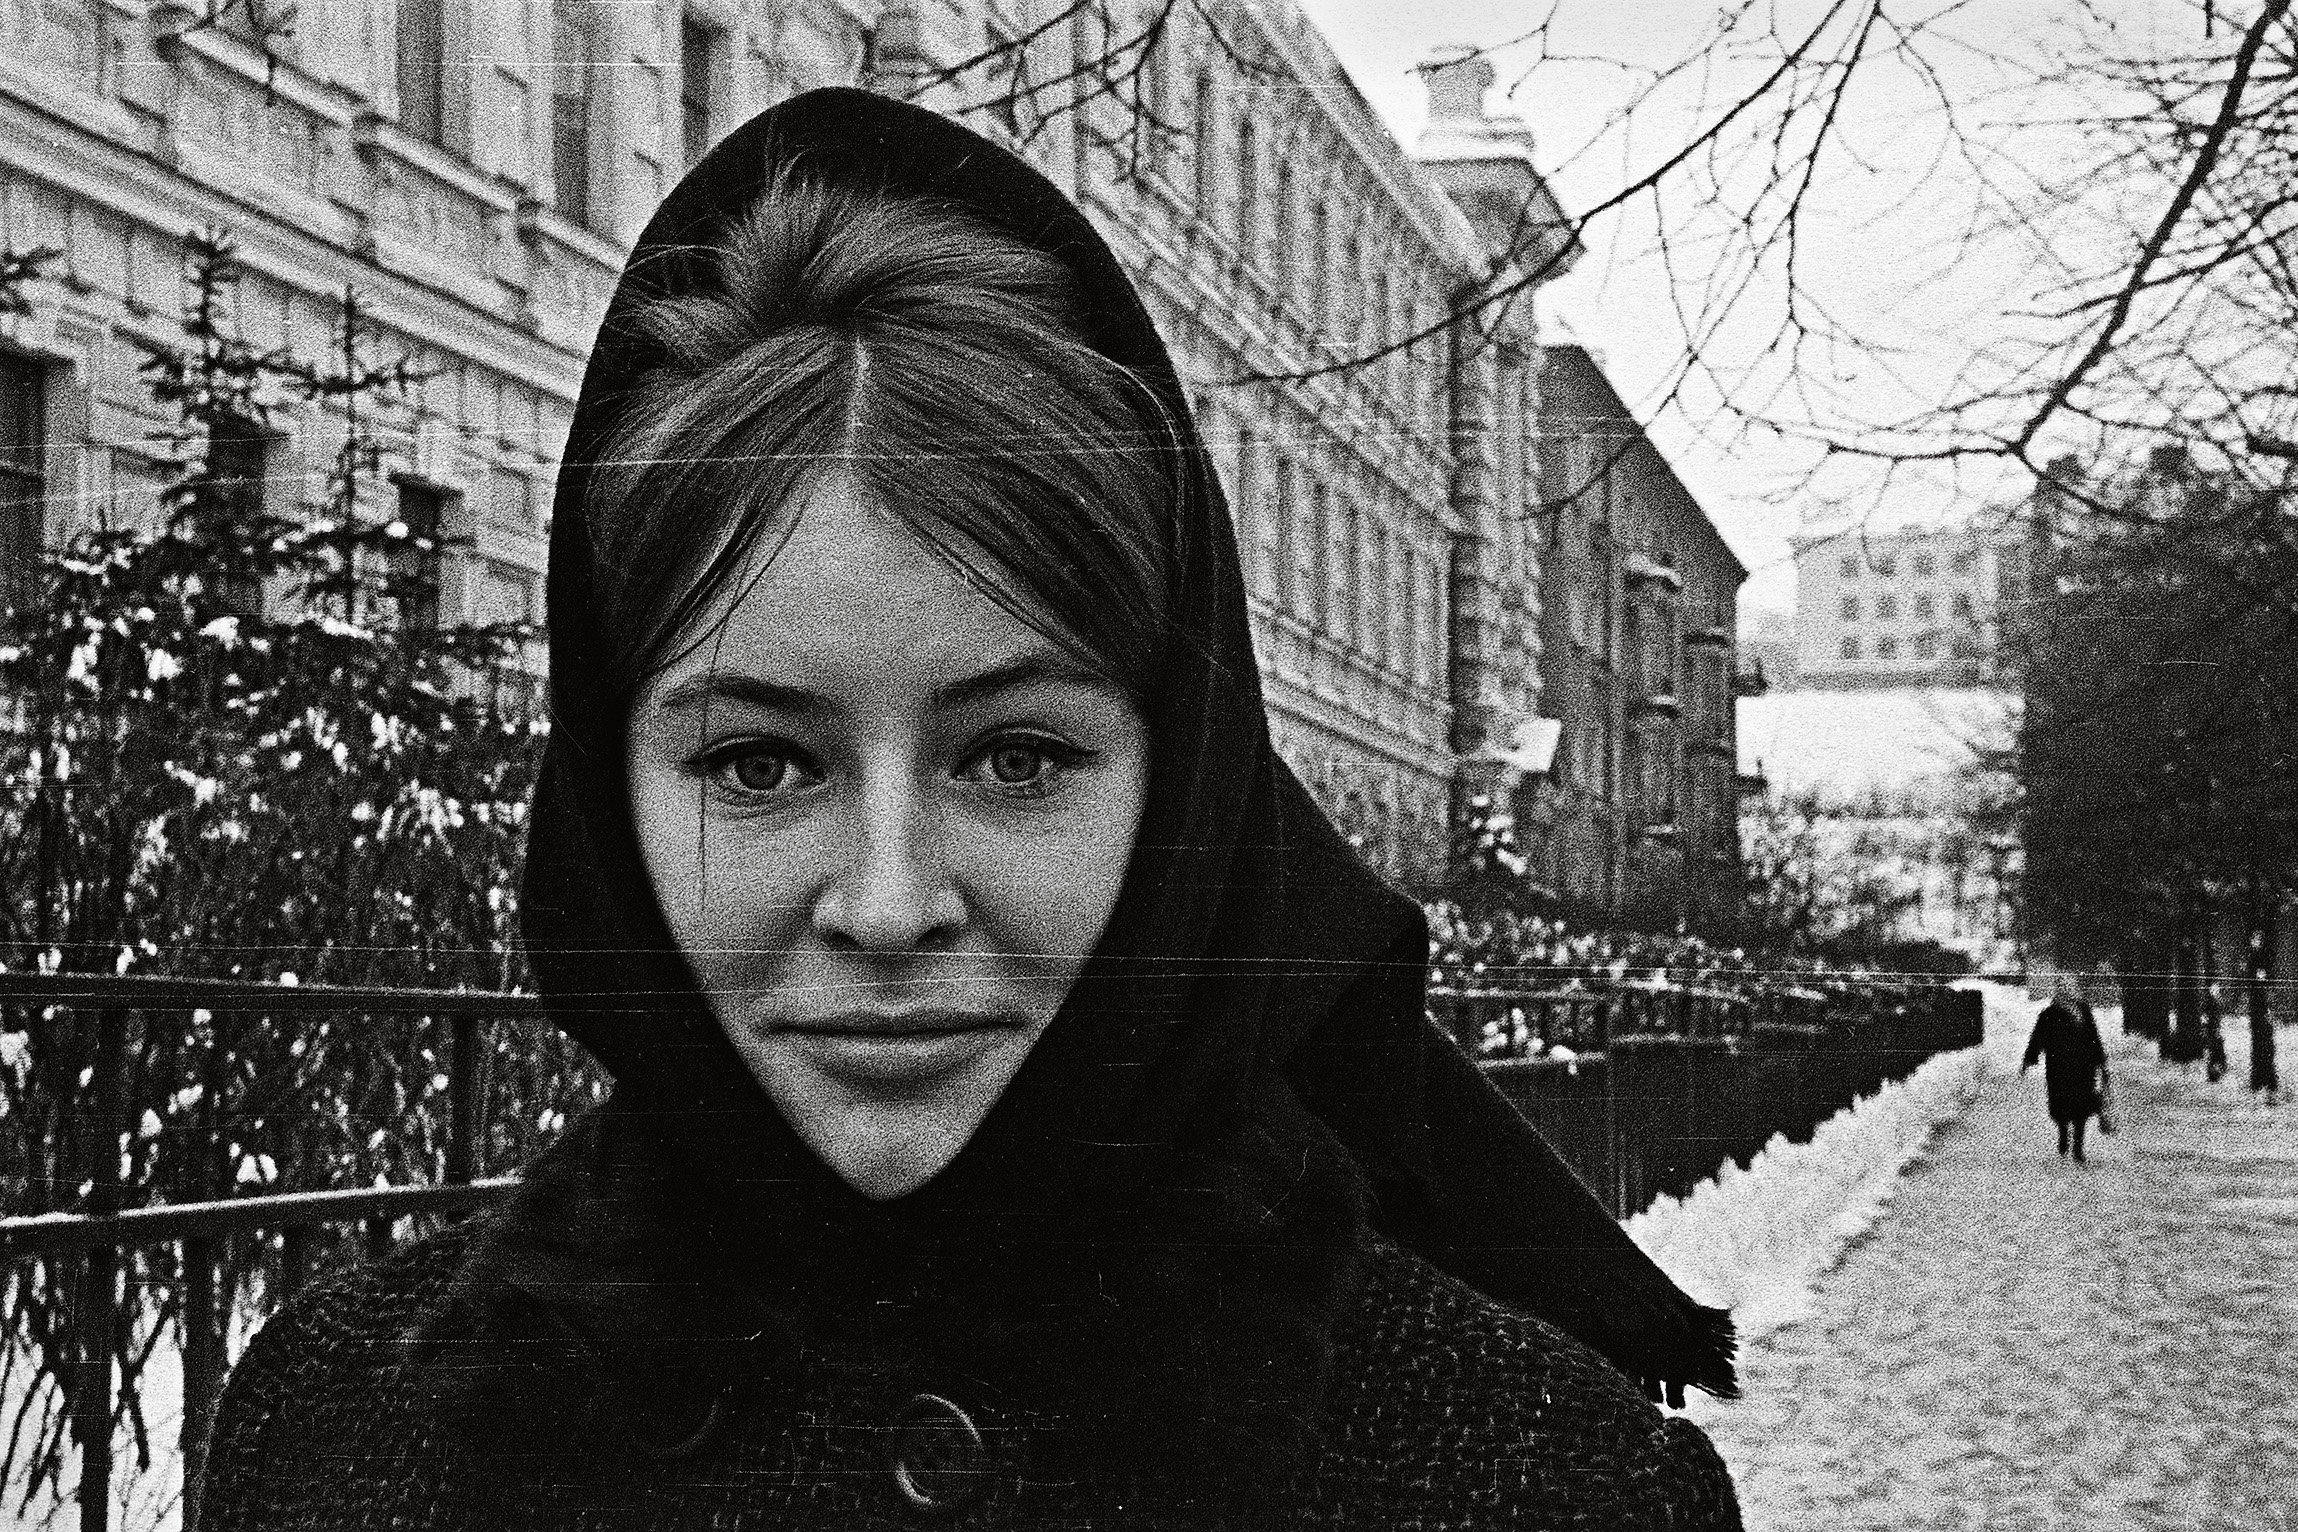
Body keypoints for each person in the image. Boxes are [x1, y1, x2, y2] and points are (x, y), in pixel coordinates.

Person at [196, 90, 1742, 1529]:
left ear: (1180, 786)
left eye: (1012, 759)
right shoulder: (340, 1439)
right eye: (758, 765)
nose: (887, 906)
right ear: (612, 795)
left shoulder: (1541, 1480)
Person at [2023, 980, 2110, 1162]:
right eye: (2063, 988)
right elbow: (2037, 1037)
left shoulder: (2083, 1011)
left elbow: (2093, 1037)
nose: (2067, 991)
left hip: (2083, 1067)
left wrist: (2101, 1062)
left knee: (2081, 1107)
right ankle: (2063, 1132)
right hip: (2058, 1067)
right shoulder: (2049, 1014)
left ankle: (2078, 1148)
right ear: (2058, 992)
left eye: (2070, 987)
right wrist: (2029, 1058)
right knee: (2061, 1105)